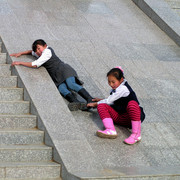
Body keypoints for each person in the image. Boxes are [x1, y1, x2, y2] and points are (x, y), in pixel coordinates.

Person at [10, 39, 93, 111]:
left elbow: (35, 64)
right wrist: (20, 53)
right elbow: (31, 52)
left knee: (71, 84)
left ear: (45, 46)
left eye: (39, 48)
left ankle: (90, 99)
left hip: (64, 70)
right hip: (56, 76)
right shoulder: (40, 53)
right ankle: (76, 102)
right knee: (62, 89)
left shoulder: (47, 51)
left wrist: (20, 62)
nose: (38, 52)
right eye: (36, 50)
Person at [87, 67, 145, 145]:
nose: (111, 84)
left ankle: (136, 135)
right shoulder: (117, 88)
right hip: (119, 117)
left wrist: (95, 104)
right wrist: (100, 101)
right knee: (102, 106)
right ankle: (110, 130)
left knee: (132, 104)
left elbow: (109, 101)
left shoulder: (123, 88)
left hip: (130, 119)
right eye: (109, 82)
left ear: (121, 80)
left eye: (113, 82)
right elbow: (112, 101)